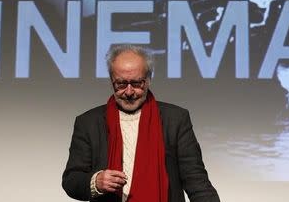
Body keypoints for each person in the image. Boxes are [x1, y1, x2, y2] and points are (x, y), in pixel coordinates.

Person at [62, 44, 220, 202]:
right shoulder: (88, 123)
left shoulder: (175, 119)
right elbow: (71, 180)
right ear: (112, 81)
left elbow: (197, 182)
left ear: (149, 80)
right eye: (121, 84)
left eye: (137, 83)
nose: (129, 92)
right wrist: (95, 182)